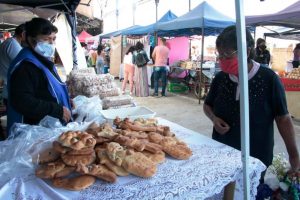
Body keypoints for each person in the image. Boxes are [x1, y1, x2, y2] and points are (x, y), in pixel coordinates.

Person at [203, 26, 299, 175]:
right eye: (219, 55)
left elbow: (283, 119)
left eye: (227, 56)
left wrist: (294, 155)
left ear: (246, 52)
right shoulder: (220, 78)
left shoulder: (269, 79)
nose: (222, 60)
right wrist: (214, 118)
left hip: (256, 156)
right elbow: (207, 105)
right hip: (222, 152)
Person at [7, 18, 72, 135]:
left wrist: (65, 100)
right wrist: (56, 109)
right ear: (31, 40)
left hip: (48, 128)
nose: (51, 44)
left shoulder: (42, 59)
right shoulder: (25, 66)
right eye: (46, 39)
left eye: (53, 39)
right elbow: (22, 101)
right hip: (33, 133)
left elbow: (48, 87)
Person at [0, 24, 26, 106]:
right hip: (10, 88)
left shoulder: (9, 42)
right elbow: (24, 64)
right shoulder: (13, 44)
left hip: (8, 87)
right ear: (23, 34)